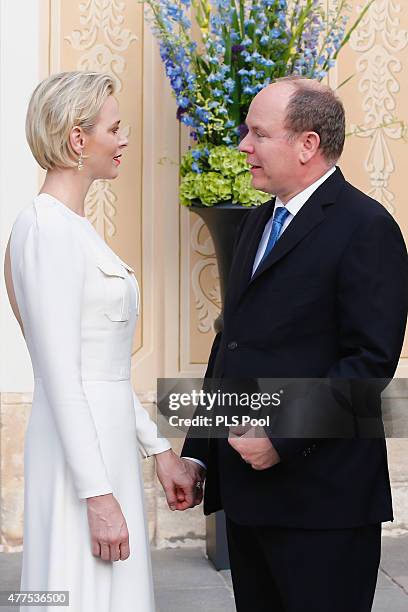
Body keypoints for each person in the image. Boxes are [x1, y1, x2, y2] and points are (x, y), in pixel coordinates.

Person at [181, 76, 408, 612]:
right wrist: (200, 454)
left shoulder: (366, 227)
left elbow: (368, 364)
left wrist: (280, 436)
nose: (243, 146)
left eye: (258, 133)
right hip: (249, 498)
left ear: (307, 144)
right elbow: (230, 346)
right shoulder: (257, 222)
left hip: (323, 501)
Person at [3, 70, 197, 612]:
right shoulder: (46, 229)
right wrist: (97, 496)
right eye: (115, 127)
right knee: (76, 593)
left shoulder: (74, 227)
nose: (125, 139)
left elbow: (106, 371)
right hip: (79, 463)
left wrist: (157, 448)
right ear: (76, 137)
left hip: (103, 449)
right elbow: (62, 375)